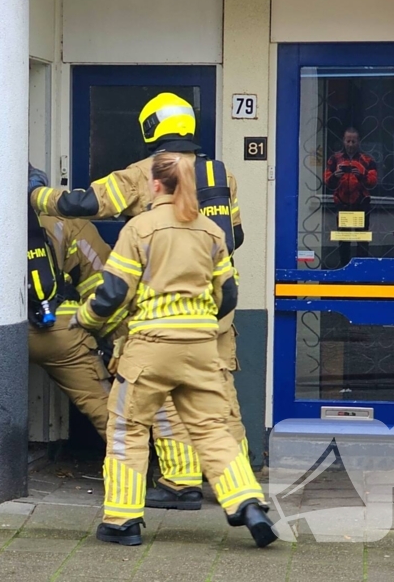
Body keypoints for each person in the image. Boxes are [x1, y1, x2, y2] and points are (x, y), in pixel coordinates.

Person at [29, 93, 247, 511]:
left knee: (163, 396)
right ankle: (229, 485)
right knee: (217, 395)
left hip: (161, 314)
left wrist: (36, 194)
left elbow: (84, 204)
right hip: (217, 306)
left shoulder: (146, 173)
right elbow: (235, 237)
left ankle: (174, 486)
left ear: (150, 129)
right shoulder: (222, 175)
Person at [74, 152, 276, 549]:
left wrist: (87, 319)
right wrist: (198, 323)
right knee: (212, 428)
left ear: (155, 185)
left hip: (150, 348)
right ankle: (247, 502)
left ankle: (122, 521)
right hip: (202, 348)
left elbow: (113, 293)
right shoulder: (211, 231)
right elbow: (228, 293)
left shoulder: (140, 228)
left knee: (127, 430)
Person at [26, 167, 119, 437]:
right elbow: (101, 282)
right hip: (58, 331)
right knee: (104, 407)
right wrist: (113, 338)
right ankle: (134, 468)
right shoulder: (64, 219)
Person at [323, 126, 378, 267]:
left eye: (354, 141)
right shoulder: (335, 159)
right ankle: (343, 268)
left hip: (361, 204)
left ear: (359, 142)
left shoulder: (367, 160)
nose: (351, 145)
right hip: (342, 205)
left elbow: (373, 182)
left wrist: (361, 175)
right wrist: (335, 176)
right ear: (343, 141)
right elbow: (327, 181)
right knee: (344, 239)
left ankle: (362, 270)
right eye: (348, 141)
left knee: (362, 239)